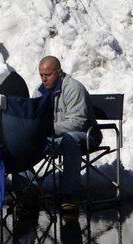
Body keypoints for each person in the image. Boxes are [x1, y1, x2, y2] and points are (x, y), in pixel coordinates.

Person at [35, 56, 101, 213]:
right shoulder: (39, 91)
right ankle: (27, 192)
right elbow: (35, 118)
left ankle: (70, 196)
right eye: (41, 75)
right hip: (56, 136)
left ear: (59, 72)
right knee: (21, 142)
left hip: (86, 135)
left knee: (69, 139)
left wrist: (49, 129)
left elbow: (78, 123)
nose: (44, 79)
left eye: (48, 75)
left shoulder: (73, 88)